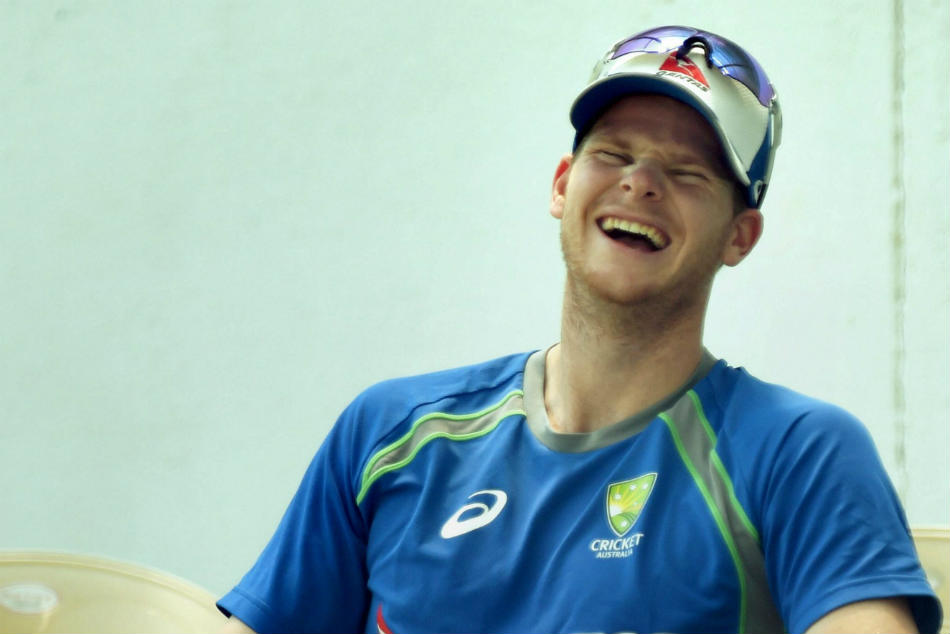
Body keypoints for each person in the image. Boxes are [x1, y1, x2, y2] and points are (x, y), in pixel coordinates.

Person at [217, 26, 942, 634]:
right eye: (614, 154)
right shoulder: (391, 431)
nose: (640, 182)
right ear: (563, 185)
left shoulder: (797, 451)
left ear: (739, 236)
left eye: (687, 173)